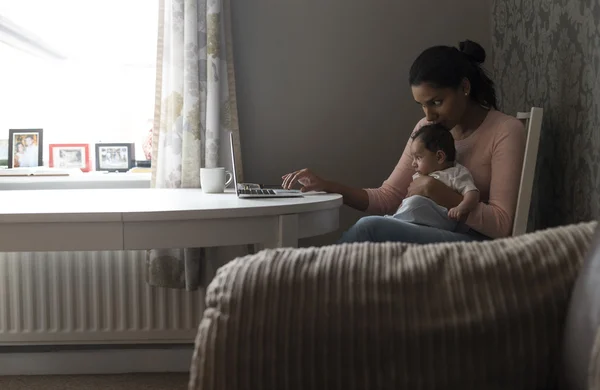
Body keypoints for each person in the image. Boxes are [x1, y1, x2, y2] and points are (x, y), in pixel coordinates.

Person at [281, 40, 526, 244]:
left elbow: (502, 225)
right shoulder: (426, 130)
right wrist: (327, 185)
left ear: (464, 87)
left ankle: (312, 288)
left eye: (436, 102)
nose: (428, 116)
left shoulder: (505, 130)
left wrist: (436, 191)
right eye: (422, 105)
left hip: (476, 243)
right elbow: (388, 197)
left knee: (370, 229)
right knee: (372, 232)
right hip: (431, 230)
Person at [392, 123, 479, 233]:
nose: (413, 164)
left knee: (416, 202)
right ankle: (397, 221)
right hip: (418, 221)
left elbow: (473, 193)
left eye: (418, 158)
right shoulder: (420, 176)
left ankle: (394, 223)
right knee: (412, 202)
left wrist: (461, 207)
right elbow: (408, 198)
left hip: (444, 219)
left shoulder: (456, 173)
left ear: (439, 157)